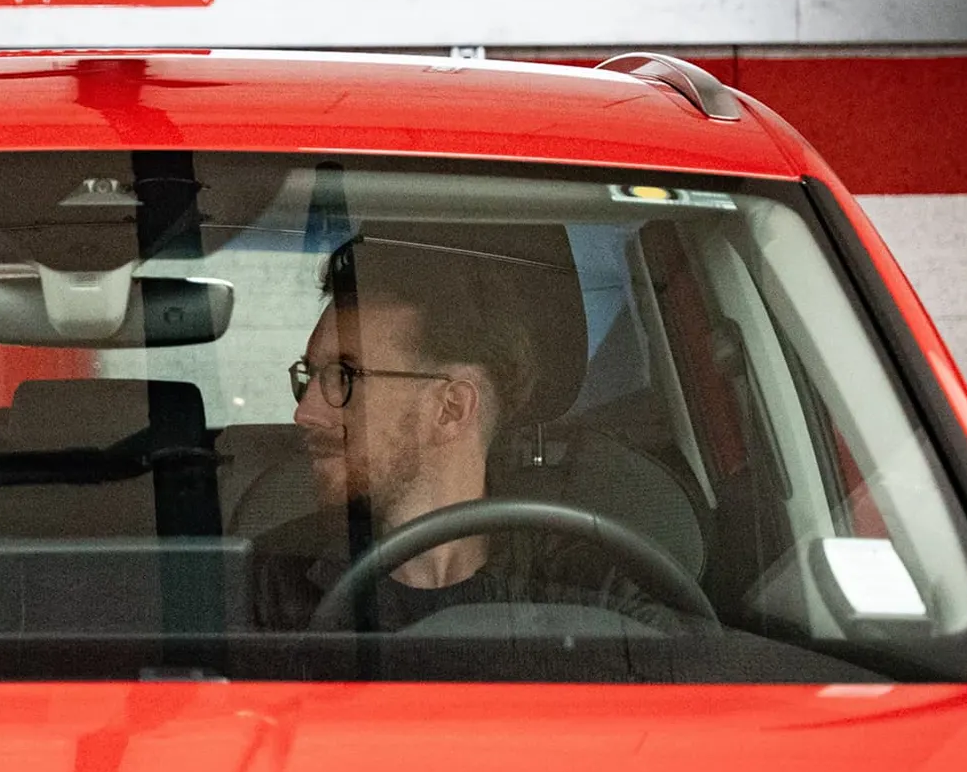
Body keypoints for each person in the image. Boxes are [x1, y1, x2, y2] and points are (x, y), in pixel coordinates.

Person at [252, 237, 690, 634]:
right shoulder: (272, 581)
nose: (304, 412)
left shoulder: (590, 592)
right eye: (309, 377)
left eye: (343, 377)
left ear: (451, 408)